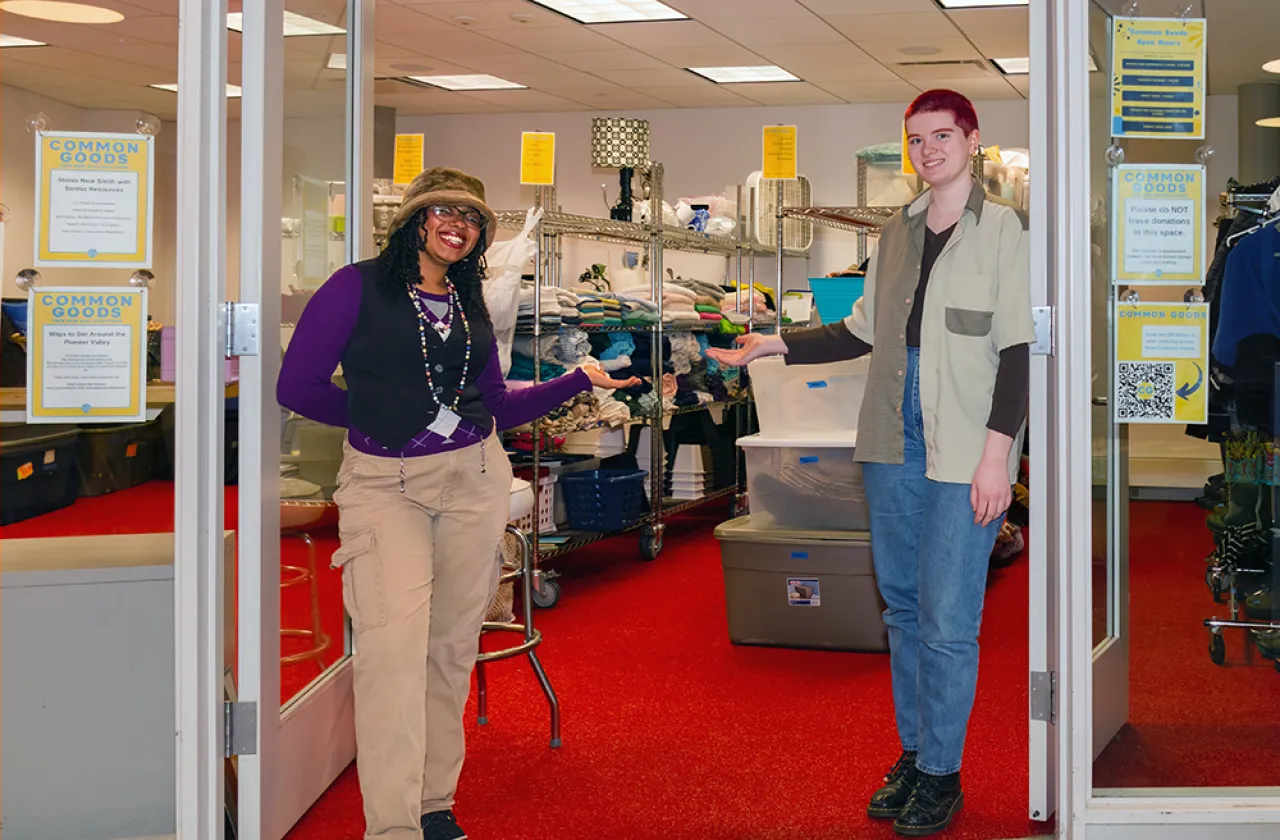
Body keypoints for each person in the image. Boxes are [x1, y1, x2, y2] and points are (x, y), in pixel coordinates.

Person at [278, 167, 638, 840]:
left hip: (474, 477)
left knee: (448, 650)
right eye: (444, 210)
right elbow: (297, 385)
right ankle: (392, 828)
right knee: (390, 653)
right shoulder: (355, 286)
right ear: (413, 218)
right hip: (388, 485)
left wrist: (574, 380)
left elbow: (495, 405)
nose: (459, 224)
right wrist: (376, 418)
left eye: (472, 217)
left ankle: (434, 804)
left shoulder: (469, 299)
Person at [708, 90, 1032, 837]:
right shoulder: (897, 233)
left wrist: (997, 457)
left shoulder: (1004, 230)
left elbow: (1016, 352)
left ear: (972, 140)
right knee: (905, 608)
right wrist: (774, 344)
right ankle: (916, 756)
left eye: (942, 136)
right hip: (891, 439)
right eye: (916, 140)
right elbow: (859, 332)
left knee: (950, 618)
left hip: (965, 447)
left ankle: (944, 774)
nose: (928, 152)